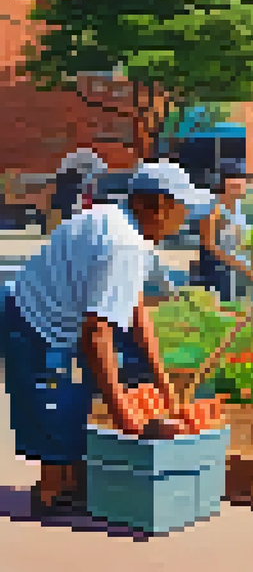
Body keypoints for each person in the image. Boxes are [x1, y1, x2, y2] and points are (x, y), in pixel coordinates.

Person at [3, 162, 212, 515]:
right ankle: (53, 493)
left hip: (34, 302)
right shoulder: (125, 244)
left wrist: (164, 384)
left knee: (86, 391)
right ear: (158, 205)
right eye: (183, 207)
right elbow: (96, 333)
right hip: (35, 322)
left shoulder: (115, 218)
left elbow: (135, 308)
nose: (186, 217)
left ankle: (78, 477)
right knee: (58, 406)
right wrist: (122, 416)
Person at [194, 161, 253, 301]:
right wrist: (242, 266)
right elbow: (209, 246)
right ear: (223, 185)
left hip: (240, 272)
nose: (240, 187)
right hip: (219, 274)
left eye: (242, 183)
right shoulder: (214, 211)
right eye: (234, 185)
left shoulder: (240, 209)